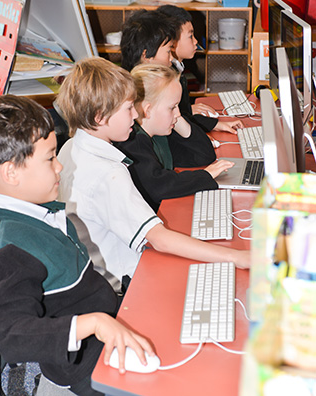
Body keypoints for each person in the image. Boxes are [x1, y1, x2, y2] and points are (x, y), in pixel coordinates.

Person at [0, 95, 155, 396]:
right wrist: (95, 323)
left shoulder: (35, 210)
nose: (60, 167)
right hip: (85, 364)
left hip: (107, 320)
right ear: (10, 173)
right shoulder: (11, 246)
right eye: (50, 158)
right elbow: (11, 336)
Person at [57, 56, 250, 291]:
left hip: (92, 274)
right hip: (123, 284)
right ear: (100, 116)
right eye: (128, 108)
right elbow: (159, 239)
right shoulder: (108, 172)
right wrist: (238, 257)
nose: (135, 115)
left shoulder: (69, 148)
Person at [120, 7, 243, 168]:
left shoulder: (146, 101)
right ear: (146, 56)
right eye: (168, 51)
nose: (172, 60)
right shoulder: (141, 123)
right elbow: (202, 155)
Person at [115, 63, 237, 212]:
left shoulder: (159, 134)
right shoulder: (133, 143)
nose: (178, 113)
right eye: (172, 107)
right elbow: (160, 186)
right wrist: (206, 175)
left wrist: (175, 118)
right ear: (148, 110)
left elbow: (204, 155)